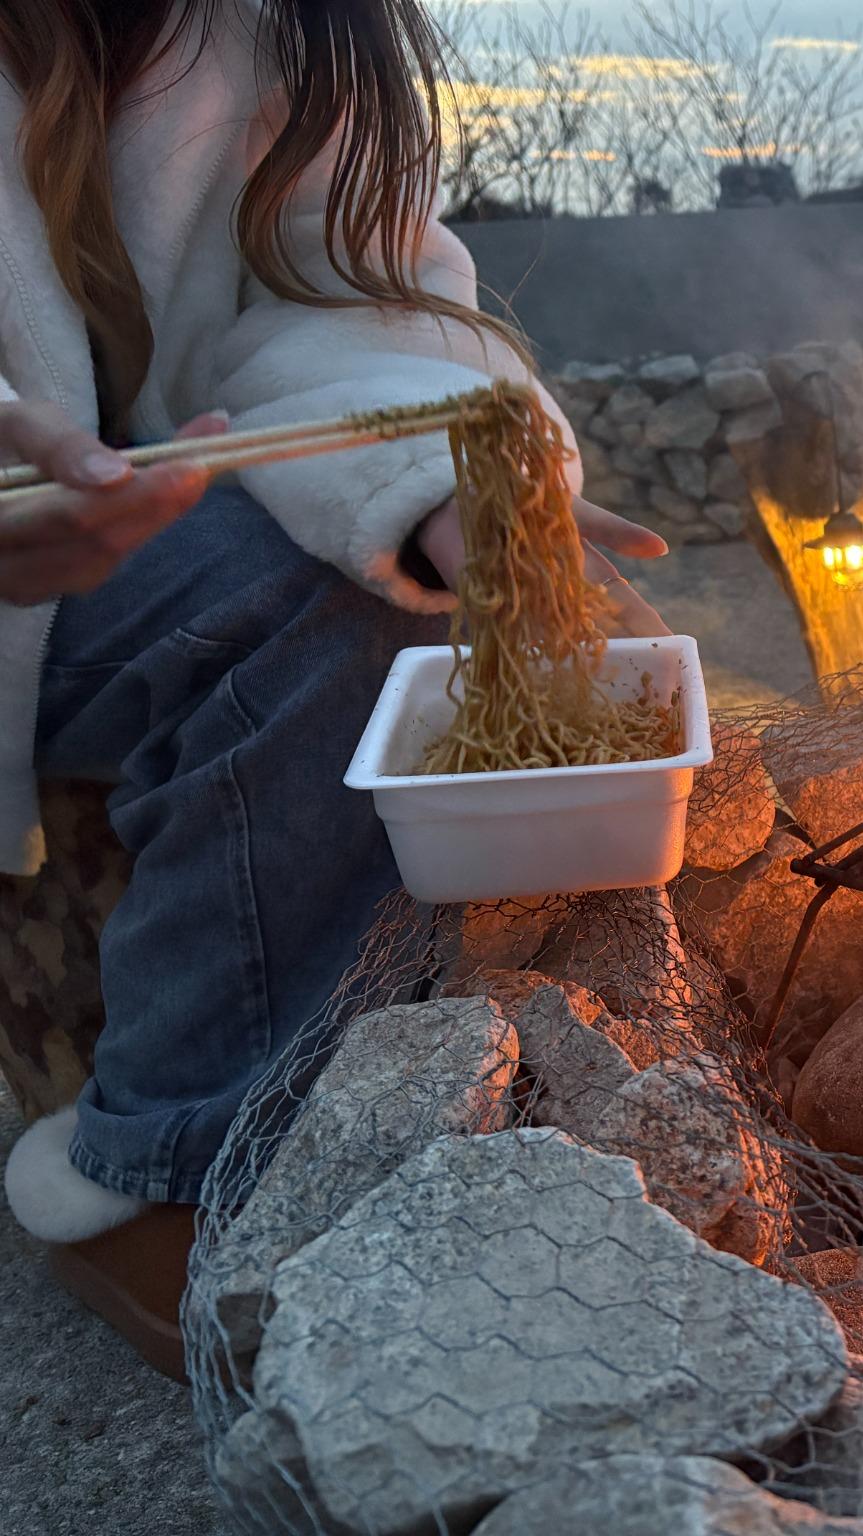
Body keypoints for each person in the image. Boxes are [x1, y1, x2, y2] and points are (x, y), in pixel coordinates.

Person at [0, 0, 662, 1378]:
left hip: (143, 529)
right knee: (289, 601)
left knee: (505, 613)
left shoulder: (279, 25)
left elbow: (348, 291)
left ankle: (396, 1085)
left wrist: (432, 485)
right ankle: (167, 1166)